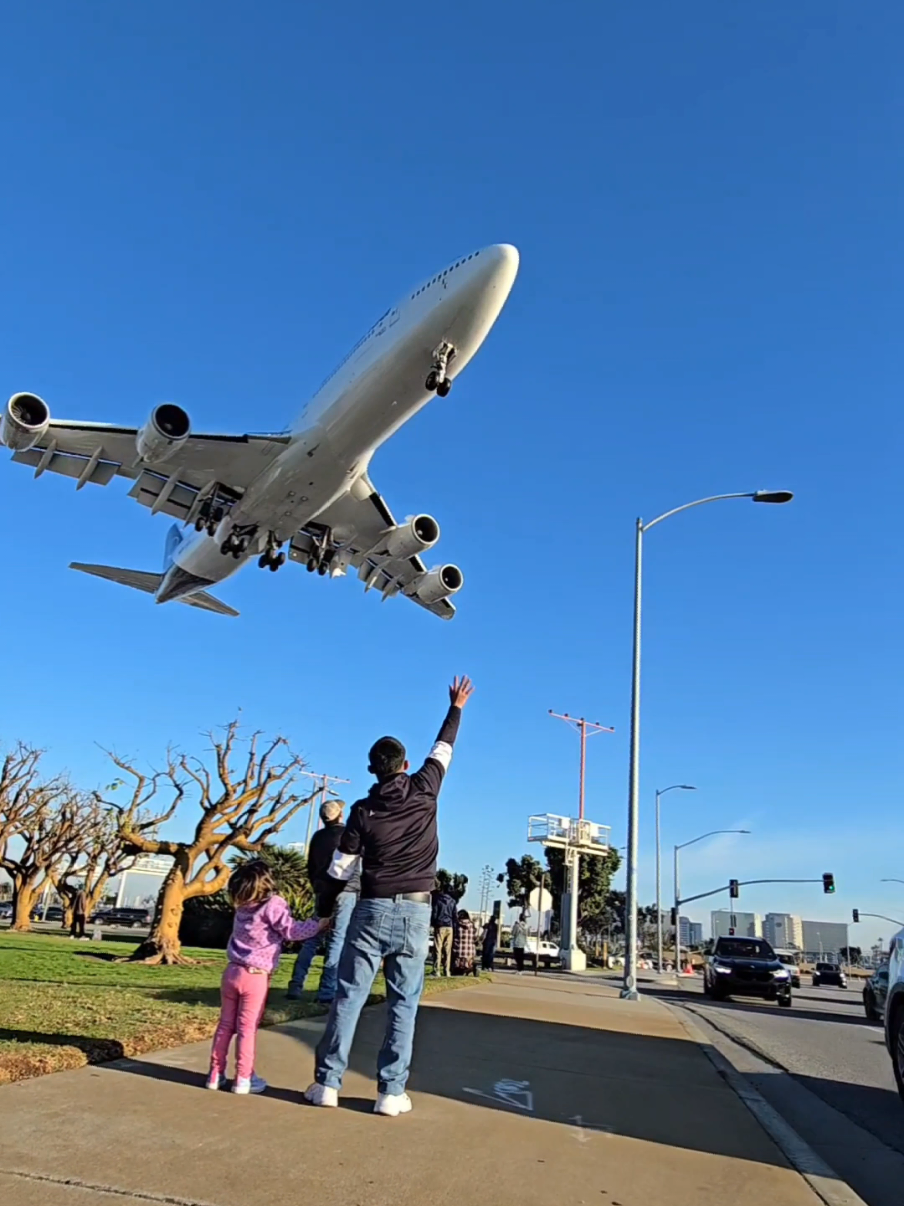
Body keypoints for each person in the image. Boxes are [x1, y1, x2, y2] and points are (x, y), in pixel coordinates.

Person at [305, 675, 474, 1117]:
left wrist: (324, 907)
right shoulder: (425, 788)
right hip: (417, 912)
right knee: (404, 1002)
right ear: (404, 765)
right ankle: (390, 1092)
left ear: (373, 770)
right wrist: (455, 707)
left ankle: (327, 1084)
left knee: (349, 997)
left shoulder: (361, 810)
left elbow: (340, 869)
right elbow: (444, 748)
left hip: (371, 907)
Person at [207, 859, 329, 1095]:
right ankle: (244, 1077)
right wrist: (318, 924)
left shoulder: (242, 907)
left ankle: (215, 1073)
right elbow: (292, 931)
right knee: (247, 1028)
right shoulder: (274, 904)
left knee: (225, 1025)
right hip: (255, 976)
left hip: (232, 971)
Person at [287, 798, 359, 1002]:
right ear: (340, 815)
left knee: (312, 937)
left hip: (322, 891)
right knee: (337, 939)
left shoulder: (317, 837)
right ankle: (327, 990)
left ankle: (296, 984)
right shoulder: (349, 834)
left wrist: (317, 888)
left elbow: (310, 867)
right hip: (346, 891)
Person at [431, 883, 457, 976]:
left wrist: (433, 923)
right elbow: (455, 916)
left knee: (438, 949)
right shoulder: (453, 901)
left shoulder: (438, 900)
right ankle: (447, 970)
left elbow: (434, 913)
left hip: (440, 925)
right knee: (447, 950)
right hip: (449, 927)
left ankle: (436, 970)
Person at [453, 909, 479, 977]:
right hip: (470, 951)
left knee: (457, 961)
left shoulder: (456, 925)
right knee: (470, 959)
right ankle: (471, 967)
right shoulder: (472, 926)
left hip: (459, 951)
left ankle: (459, 968)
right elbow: (475, 938)